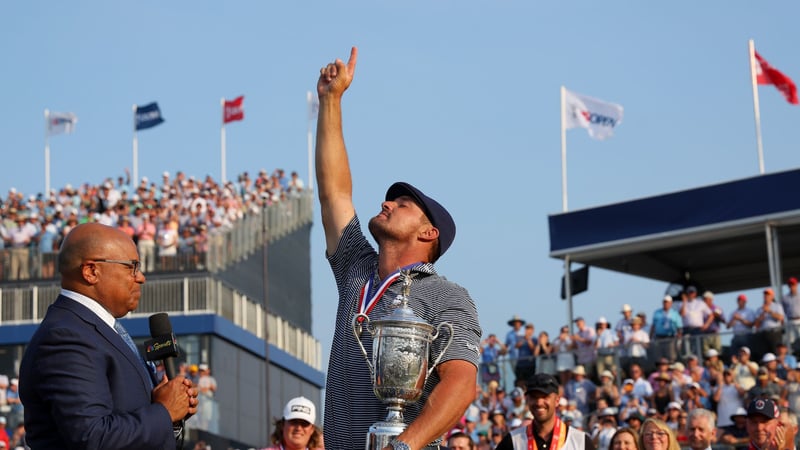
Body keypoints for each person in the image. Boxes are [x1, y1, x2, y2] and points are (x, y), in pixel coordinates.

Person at [315, 47, 482, 450]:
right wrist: (331, 101)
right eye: (390, 200)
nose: (386, 203)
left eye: (402, 205)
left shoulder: (447, 296)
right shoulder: (356, 267)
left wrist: (404, 446)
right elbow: (334, 193)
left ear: (428, 234)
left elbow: (462, 384)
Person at [18, 222, 199, 449]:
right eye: (132, 266)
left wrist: (170, 414)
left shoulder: (99, 330)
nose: (141, 277)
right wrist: (163, 411)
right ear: (91, 271)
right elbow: (93, 437)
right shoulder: (66, 336)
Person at [495, 373, 595, 450]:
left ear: (557, 400)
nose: (539, 402)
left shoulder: (581, 442)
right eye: (534, 397)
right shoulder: (513, 441)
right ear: (527, 400)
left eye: (545, 396)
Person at [754, 288, 785, 359]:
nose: (766, 296)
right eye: (765, 295)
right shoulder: (759, 309)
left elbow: (781, 318)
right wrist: (762, 314)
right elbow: (756, 325)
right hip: (763, 334)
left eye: (768, 295)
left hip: (774, 333)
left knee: (775, 352)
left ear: (772, 296)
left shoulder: (777, 306)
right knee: (764, 354)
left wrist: (769, 311)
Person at [650, 296, 681, 363]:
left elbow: (679, 327)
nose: (666, 304)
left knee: (671, 356)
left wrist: (679, 340)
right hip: (659, 338)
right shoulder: (657, 312)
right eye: (665, 302)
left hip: (670, 338)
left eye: (668, 302)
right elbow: (653, 326)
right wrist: (650, 337)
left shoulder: (675, 313)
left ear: (671, 303)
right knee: (659, 356)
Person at [783, 277, 800, 351]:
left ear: (796, 285)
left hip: (799, 320)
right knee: (790, 341)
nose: (791, 286)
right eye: (790, 285)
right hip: (790, 321)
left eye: (793, 284)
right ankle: (794, 354)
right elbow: (783, 310)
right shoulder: (785, 298)